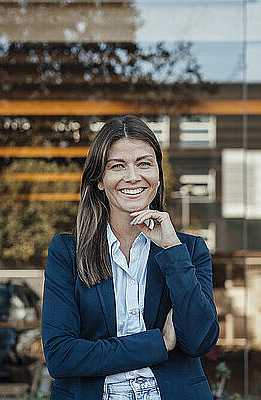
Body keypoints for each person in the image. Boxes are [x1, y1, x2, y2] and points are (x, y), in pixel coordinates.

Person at [41, 115, 220, 400]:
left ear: (158, 177)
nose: (133, 176)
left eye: (144, 163)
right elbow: (61, 355)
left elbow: (200, 340)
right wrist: (158, 343)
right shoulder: (67, 252)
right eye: (117, 166)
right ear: (100, 180)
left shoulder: (189, 250)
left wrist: (172, 249)